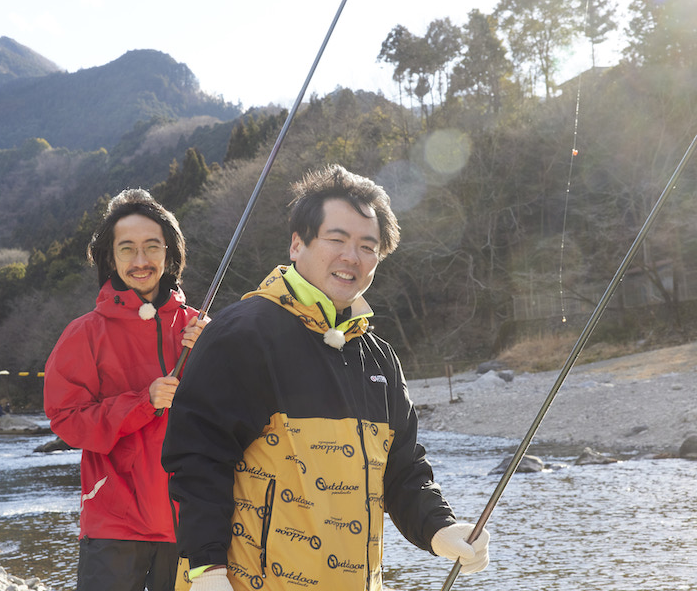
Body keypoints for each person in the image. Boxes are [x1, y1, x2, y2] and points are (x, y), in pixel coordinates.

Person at [161, 164, 490, 590]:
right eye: (337, 239)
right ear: (297, 244)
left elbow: (404, 471)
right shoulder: (242, 334)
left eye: (368, 246)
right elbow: (198, 460)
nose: (351, 257)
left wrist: (441, 530)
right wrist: (206, 570)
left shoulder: (379, 359)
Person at [44, 188, 208, 591]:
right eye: (127, 248)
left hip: (191, 522)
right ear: (109, 257)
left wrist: (213, 354)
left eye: (152, 247)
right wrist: (142, 401)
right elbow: (66, 420)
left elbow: (234, 416)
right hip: (114, 524)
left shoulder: (200, 330)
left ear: (169, 254)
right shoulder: (85, 333)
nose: (140, 261)